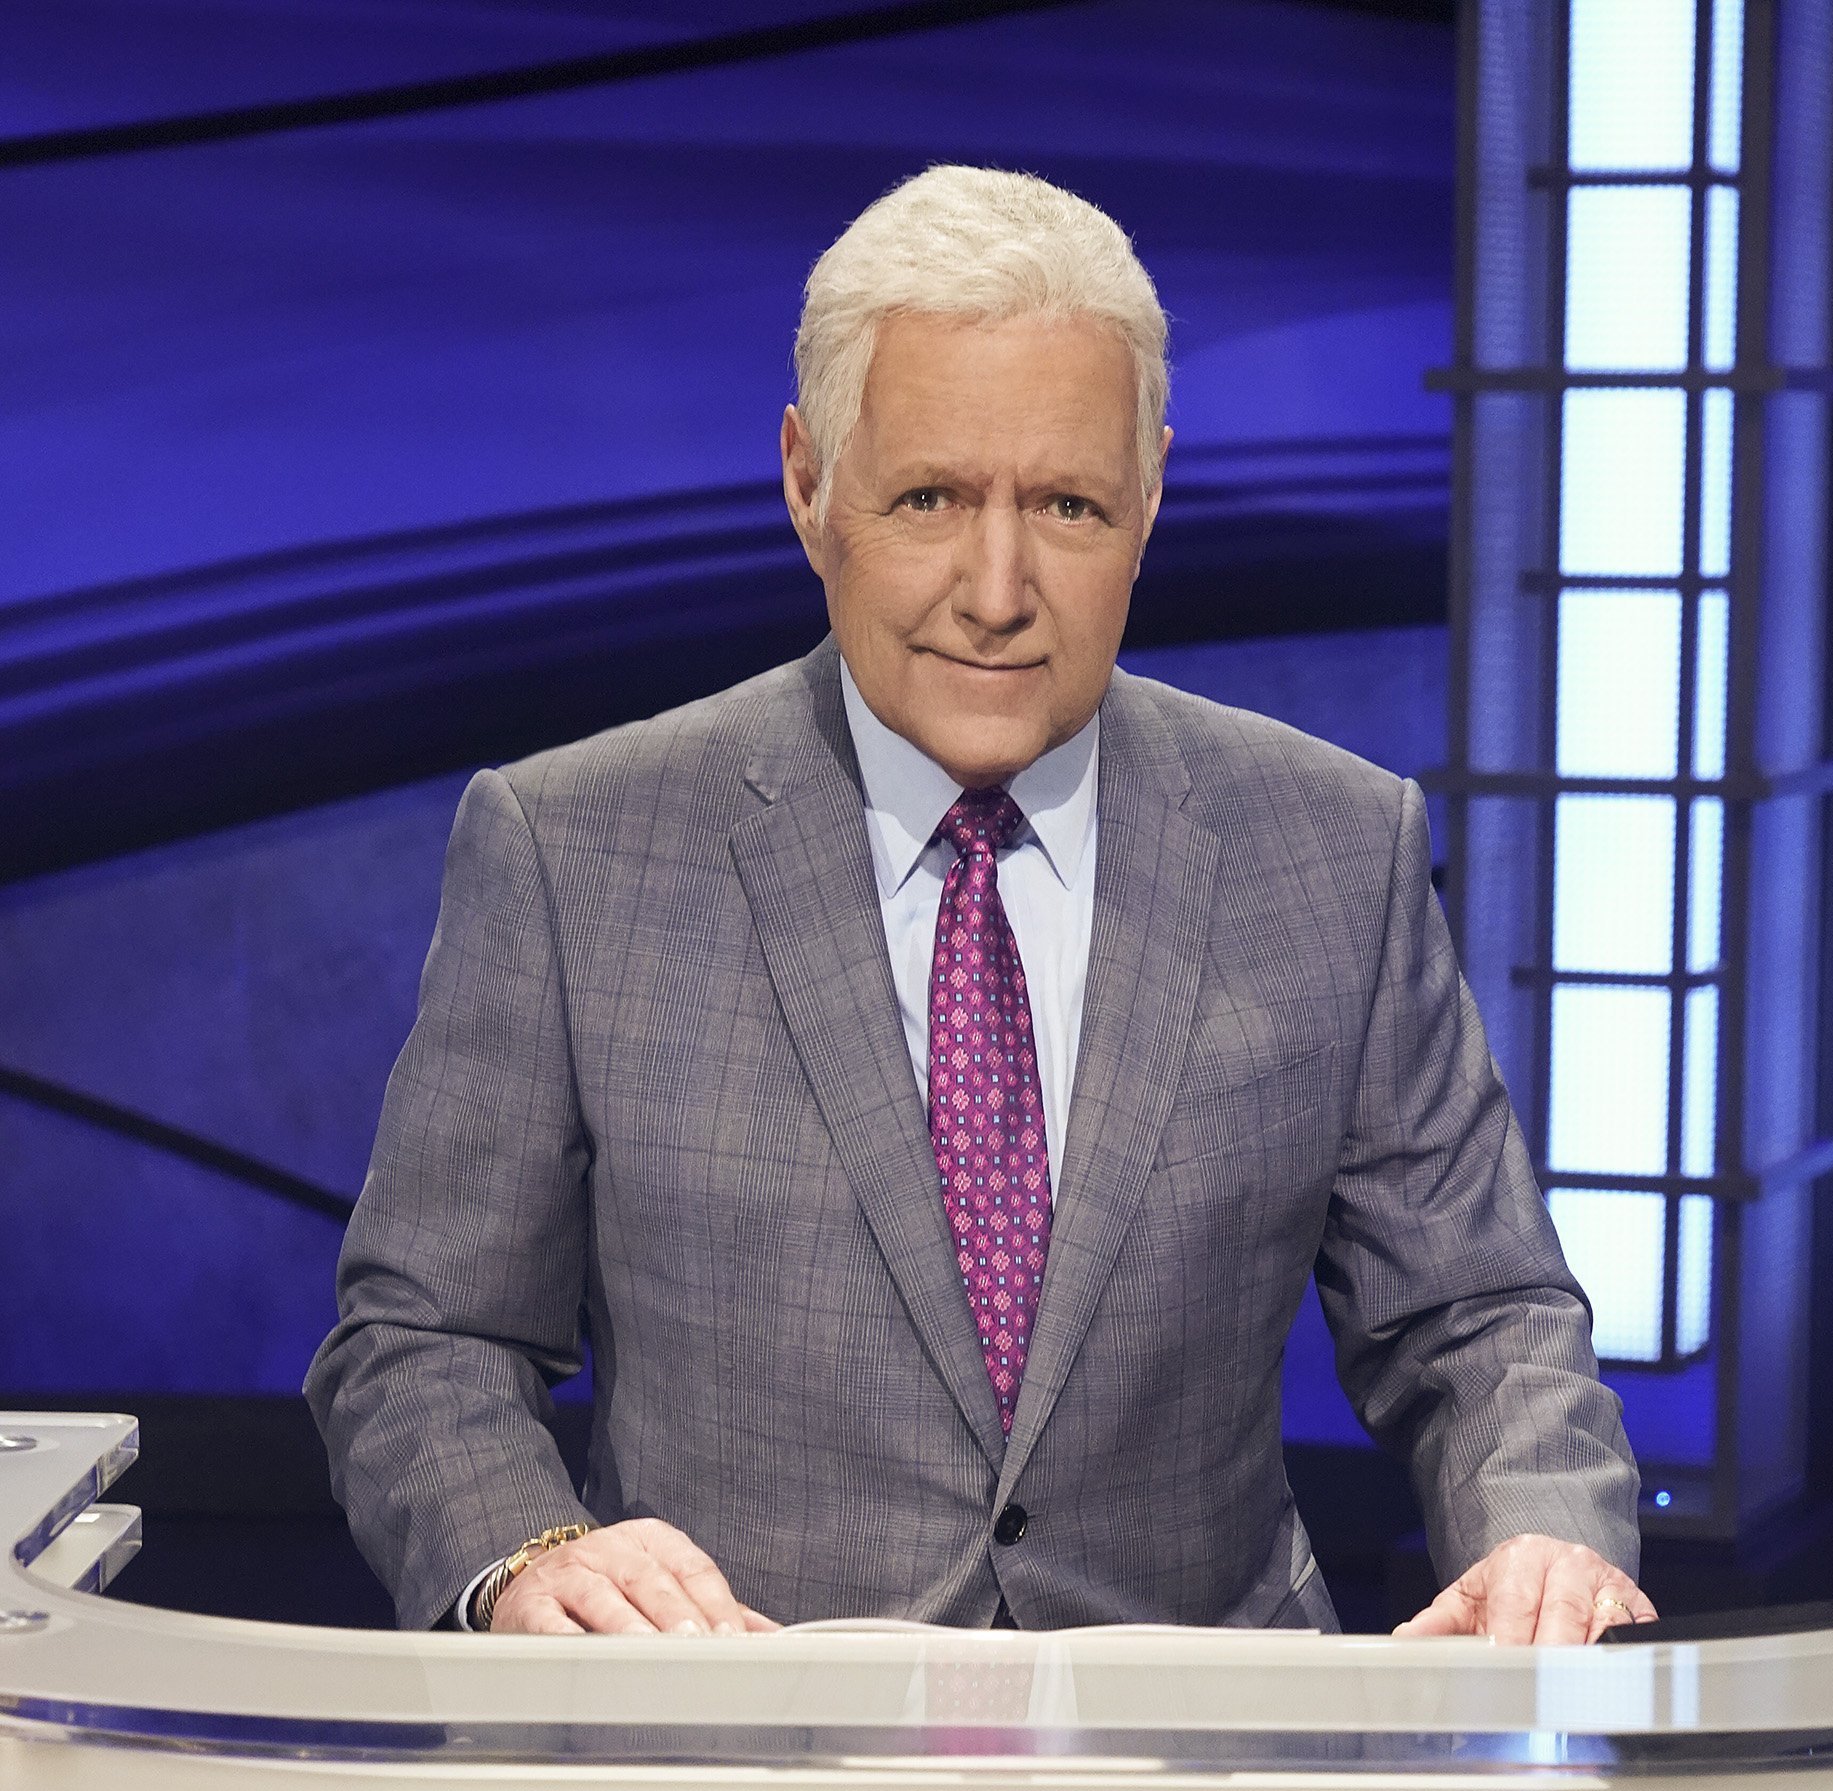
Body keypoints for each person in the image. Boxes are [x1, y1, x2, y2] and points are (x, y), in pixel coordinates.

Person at [307, 165, 1654, 1649]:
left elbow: (1478, 1318)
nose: (997, 588)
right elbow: (422, 1339)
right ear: (808, 483)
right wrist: (530, 1549)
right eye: (931, 498)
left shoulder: (1332, 847)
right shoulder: (576, 851)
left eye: (1067, 504)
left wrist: (1542, 1537)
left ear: (1149, 498)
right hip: (731, 1761)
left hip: (1202, 1763)